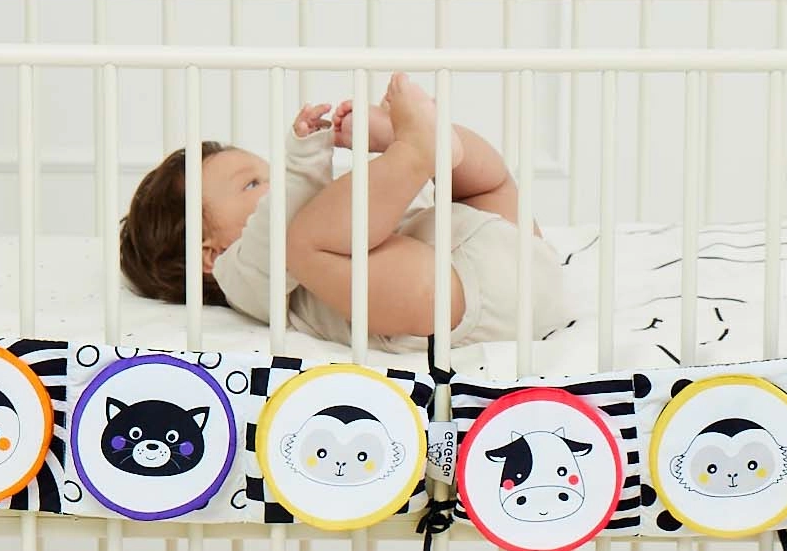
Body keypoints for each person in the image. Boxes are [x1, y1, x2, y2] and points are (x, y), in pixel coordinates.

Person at [117, 72, 567, 349]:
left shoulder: (328, 229)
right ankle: (413, 151)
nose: (276, 187)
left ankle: (412, 147)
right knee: (302, 243)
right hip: (456, 297)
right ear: (208, 253)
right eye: (254, 185)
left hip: (512, 256)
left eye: (271, 176)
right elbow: (281, 226)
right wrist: (304, 161)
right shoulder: (240, 276)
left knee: (486, 183)